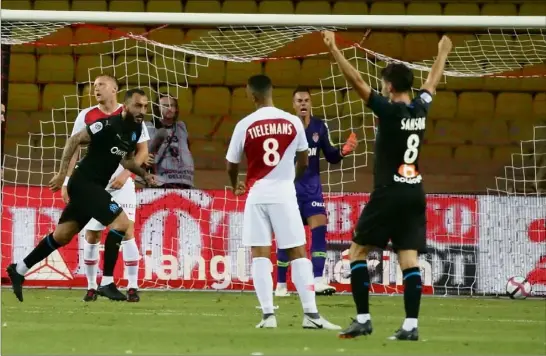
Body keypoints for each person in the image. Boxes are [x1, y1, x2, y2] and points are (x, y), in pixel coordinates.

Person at [321, 30, 452, 340]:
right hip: (414, 192)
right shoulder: (420, 107)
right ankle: (410, 326)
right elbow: (432, 83)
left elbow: (357, 83)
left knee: (356, 253)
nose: (380, 87)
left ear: (390, 87)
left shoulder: (390, 111)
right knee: (409, 260)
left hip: (388, 193)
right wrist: (443, 53)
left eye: (383, 84)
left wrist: (335, 50)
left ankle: (364, 319)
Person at [6, 89, 157, 303]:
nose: (142, 110)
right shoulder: (107, 125)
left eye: (145, 106)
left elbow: (127, 160)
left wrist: (144, 175)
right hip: (83, 183)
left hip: (94, 186)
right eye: (138, 105)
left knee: (62, 235)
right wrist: (61, 175)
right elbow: (74, 140)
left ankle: (19, 269)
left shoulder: (135, 128)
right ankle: (106, 283)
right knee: (122, 224)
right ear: (125, 107)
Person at [225, 74, 340, 330]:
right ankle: (311, 315)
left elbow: (231, 164)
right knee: (299, 252)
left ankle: (268, 316)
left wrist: (236, 184)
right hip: (284, 195)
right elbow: (303, 161)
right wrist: (289, 180)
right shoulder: (292, 122)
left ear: (251, 95)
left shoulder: (245, 124)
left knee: (260, 255)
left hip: (256, 196)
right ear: (271, 92)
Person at [63, 75, 150, 302]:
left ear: (114, 89)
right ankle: (92, 286)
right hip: (94, 183)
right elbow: (73, 148)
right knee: (92, 234)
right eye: (93, 86)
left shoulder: (131, 112)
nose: (96, 89)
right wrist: (66, 181)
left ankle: (132, 286)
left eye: (100, 85)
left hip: (122, 183)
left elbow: (142, 151)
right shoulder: (87, 115)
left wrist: (126, 174)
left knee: (127, 229)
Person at [275, 88, 357, 297]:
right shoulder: (286, 128)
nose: (303, 104)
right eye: (299, 101)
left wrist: (343, 151)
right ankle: (281, 284)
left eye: (306, 100)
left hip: (312, 189)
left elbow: (330, 155)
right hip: (290, 189)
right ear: (293, 105)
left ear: (311, 103)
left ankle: (318, 280)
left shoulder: (319, 126)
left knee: (319, 228)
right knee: (287, 236)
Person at [136, 93, 194, 189]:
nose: (170, 108)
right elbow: (138, 156)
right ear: (157, 108)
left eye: (172, 105)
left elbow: (187, 150)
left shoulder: (181, 127)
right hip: (159, 181)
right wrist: (144, 160)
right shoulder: (147, 127)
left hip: (183, 180)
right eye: (165, 106)